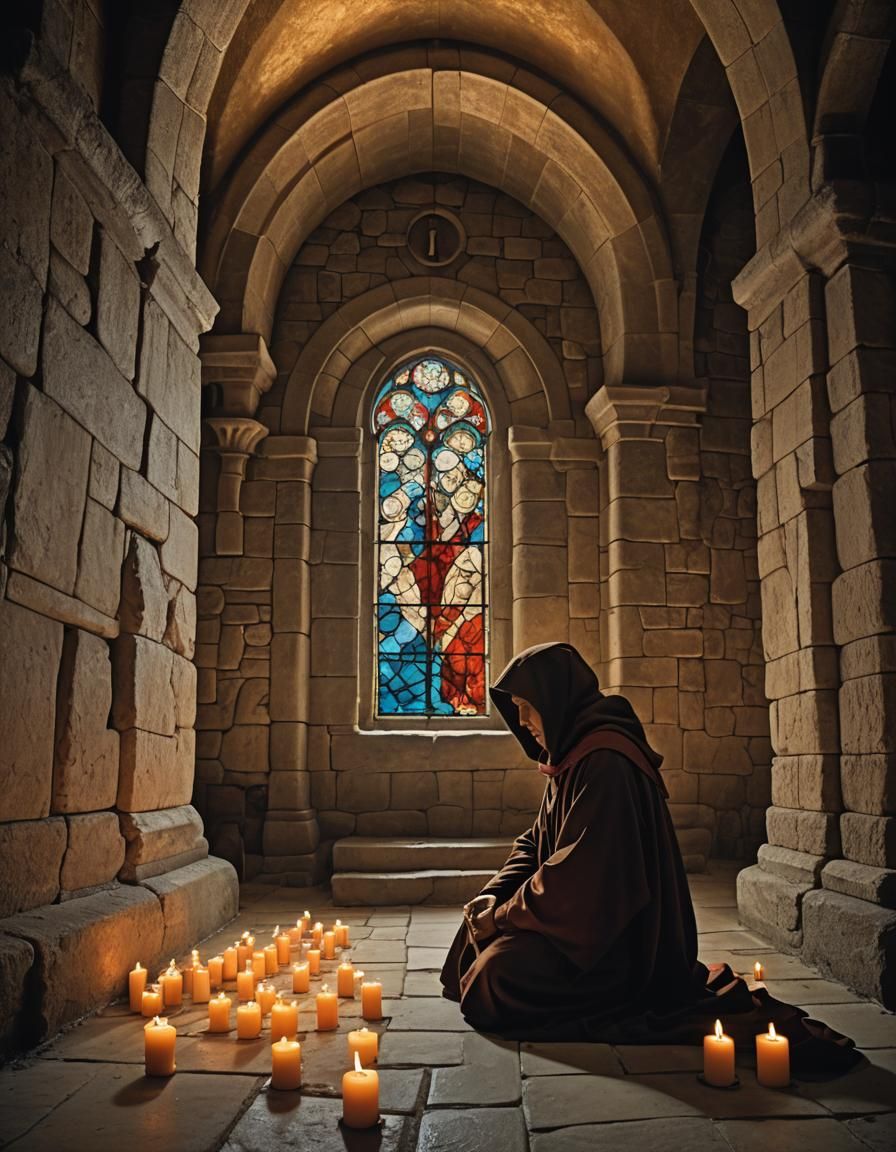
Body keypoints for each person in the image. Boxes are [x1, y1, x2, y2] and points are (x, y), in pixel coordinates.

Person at [440, 643, 862, 1077]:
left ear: (554, 699)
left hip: (617, 940)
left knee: (495, 977)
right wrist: (494, 896)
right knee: (472, 939)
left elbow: (583, 877)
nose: (523, 723)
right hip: (573, 917)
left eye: (527, 708)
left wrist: (505, 917)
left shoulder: (604, 760)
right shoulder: (571, 752)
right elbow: (537, 841)